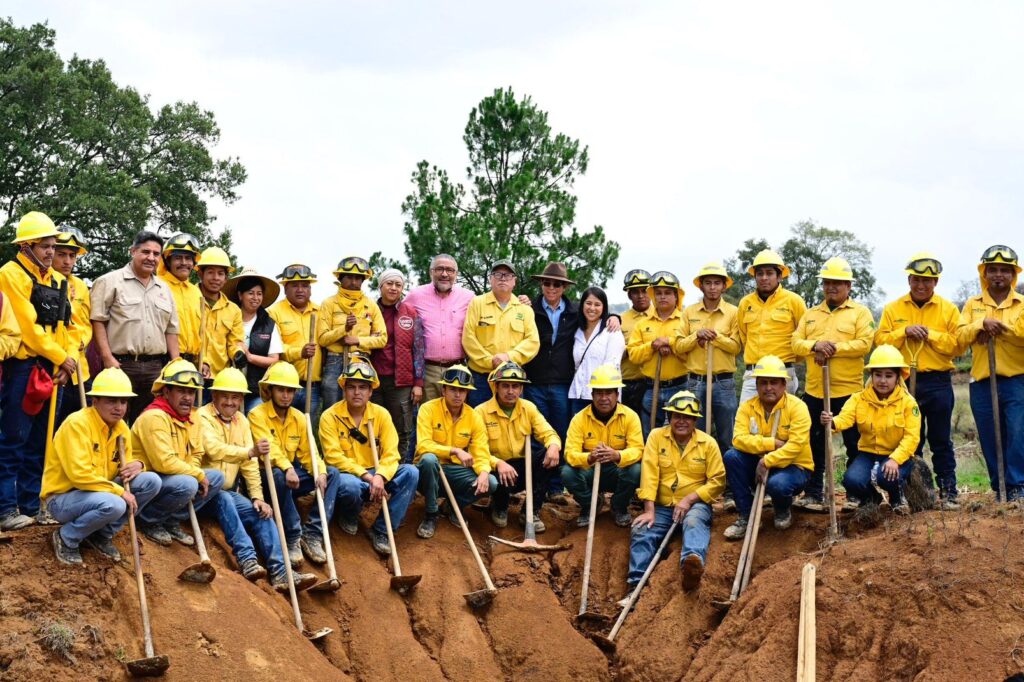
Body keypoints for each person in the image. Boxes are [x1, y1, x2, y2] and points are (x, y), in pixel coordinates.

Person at [197, 367, 316, 590]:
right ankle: (247, 559)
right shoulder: (202, 417)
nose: (230, 402)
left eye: (235, 397)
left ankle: (282, 573)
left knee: (262, 513)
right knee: (223, 497)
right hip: (203, 491)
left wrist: (257, 497)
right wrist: (249, 452)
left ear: (242, 398)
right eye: (225, 396)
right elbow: (214, 450)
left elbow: (250, 466)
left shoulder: (241, 421)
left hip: (230, 492)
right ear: (214, 395)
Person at [0, 212, 76, 530]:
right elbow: (28, 330)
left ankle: (31, 507)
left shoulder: (57, 281)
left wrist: (64, 362)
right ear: (26, 246)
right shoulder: (10, 274)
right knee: (14, 437)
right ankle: (5, 509)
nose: (50, 252)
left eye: (52, 245)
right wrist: (61, 357)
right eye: (44, 246)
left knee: (41, 442)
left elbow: (68, 329)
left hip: (53, 368)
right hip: (24, 366)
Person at [42, 367, 162, 564]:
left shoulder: (122, 428)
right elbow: (79, 476)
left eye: (123, 401)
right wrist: (118, 491)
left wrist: (138, 465)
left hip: (99, 493)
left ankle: (100, 535)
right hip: (63, 498)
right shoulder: (77, 425)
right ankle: (67, 537)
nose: (119, 407)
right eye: (111, 401)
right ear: (95, 401)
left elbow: (126, 467)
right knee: (114, 504)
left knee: (151, 481)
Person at [875, 252, 963, 508]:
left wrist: (930, 335)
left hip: (938, 382)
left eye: (927, 280)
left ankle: (949, 493)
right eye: (916, 279)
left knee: (941, 439)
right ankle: (916, 495)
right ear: (909, 280)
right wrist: (904, 331)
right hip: (903, 383)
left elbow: (957, 345)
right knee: (910, 440)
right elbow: (879, 340)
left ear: (935, 282)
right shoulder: (893, 309)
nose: (921, 285)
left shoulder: (948, 309)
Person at [791, 257, 874, 512]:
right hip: (815, 391)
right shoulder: (811, 314)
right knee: (814, 445)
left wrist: (833, 348)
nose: (831, 288)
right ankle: (814, 494)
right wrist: (814, 345)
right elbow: (795, 342)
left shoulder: (860, 313)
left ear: (848, 286)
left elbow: (864, 343)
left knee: (854, 444)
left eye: (837, 284)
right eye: (827, 283)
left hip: (849, 392)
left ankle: (855, 495)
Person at [629, 391, 725, 594]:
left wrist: (690, 499)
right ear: (670, 418)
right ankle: (635, 585)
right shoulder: (656, 437)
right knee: (642, 530)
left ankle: (691, 566)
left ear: (695, 420)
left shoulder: (708, 443)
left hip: (695, 505)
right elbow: (649, 473)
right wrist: (649, 509)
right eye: (677, 416)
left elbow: (717, 481)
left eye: (687, 417)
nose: (682, 421)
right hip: (663, 506)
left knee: (693, 522)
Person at [322, 361, 420, 555]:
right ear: (344, 389)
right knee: (349, 486)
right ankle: (349, 514)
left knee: (411, 472)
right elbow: (333, 457)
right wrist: (367, 477)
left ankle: (382, 530)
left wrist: (380, 476)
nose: (357, 392)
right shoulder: (329, 416)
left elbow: (392, 453)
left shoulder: (381, 415)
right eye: (351, 387)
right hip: (350, 475)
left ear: (370, 392)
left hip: (377, 473)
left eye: (362, 387)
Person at [249, 362, 342, 565]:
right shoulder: (257, 414)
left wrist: (320, 472)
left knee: (333, 473)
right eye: (281, 390)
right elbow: (269, 449)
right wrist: (288, 467)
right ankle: (292, 536)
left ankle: (313, 534)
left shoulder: (299, 418)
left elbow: (310, 452)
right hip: (267, 479)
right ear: (270, 389)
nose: (286, 395)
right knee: (278, 475)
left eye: (290, 390)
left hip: (290, 479)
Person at [130, 359, 224, 546]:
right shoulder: (154, 416)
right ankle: (148, 520)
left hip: (175, 476)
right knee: (189, 483)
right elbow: (163, 463)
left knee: (216, 478)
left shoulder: (193, 417)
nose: (188, 397)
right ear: (166, 391)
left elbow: (197, 453)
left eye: (191, 392)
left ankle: (170, 520)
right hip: (149, 478)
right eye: (181, 391)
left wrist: (195, 471)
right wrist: (196, 474)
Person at [957, 245, 1024, 501]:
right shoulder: (972, 304)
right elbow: (960, 337)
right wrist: (979, 325)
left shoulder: (1021, 304)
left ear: (1013, 275)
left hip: (1016, 379)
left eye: (1004, 271)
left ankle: (1017, 486)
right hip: (982, 381)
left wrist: (997, 328)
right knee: (988, 435)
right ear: (984, 273)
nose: (998, 275)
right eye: (993, 270)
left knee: (1017, 433)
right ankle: (1000, 489)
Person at [91, 231, 180, 423]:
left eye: (156, 254)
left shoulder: (164, 289)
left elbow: (171, 330)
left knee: (149, 422)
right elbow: (98, 321)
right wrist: (107, 358)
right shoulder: (109, 281)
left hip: (155, 369)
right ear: (132, 251)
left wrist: (177, 365)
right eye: (145, 252)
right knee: (114, 421)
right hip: (121, 365)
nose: (151, 258)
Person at [821, 345, 921, 514]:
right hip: (868, 454)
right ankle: (871, 499)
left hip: (897, 455)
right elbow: (844, 419)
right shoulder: (858, 399)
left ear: (898, 377)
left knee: (886, 477)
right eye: (878, 375)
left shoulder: (908, 403)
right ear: (871, 376)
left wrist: (895, 459)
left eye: (888, 376)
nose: (883, 380)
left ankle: (897, 498)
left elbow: (912, 437)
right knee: (851, 480)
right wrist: (831, 422)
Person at [723, 355, 813, 539]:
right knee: (732, 457)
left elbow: (795, 446)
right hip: (758, 462)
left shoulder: (798, 407)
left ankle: (782, 508)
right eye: (763, 382)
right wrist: (770, 444)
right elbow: (738, 440)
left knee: (777, 485)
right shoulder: (747, 408)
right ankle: (746, 515)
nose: (768, 387)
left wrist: (767, 460)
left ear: (783, 384)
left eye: (774, 382)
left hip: (794, 467)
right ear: (756, 385)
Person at [475, 361, 561, 531]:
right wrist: (497, 463)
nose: (510, 391)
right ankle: (499, 506)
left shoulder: (528, 408)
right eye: (505, 386)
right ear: (496, 387)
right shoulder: (480, 412)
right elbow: (478, 450)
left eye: (515, 386)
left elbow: (549, 433)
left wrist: (553, 445)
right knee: (494, 476)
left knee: (550, 455)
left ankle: (531, 511)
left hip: (523, 468)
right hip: (496, 468)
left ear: (521, 389)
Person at [413, 364, 496, 539]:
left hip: (456, 473)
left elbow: (480, 450)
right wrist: (454, 450)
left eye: (462, 390)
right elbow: (423, 445)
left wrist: (483, 472)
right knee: (428, 459)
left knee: (491, 482)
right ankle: (431, 513)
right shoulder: (427, 409)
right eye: (452, 389)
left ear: (467, 393)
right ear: (443, 390)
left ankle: (452, 506)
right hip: (428, 472)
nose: (457, 394)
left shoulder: (474, 417)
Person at [562, 364, 644, 528]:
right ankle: (589, 505)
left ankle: (619, 506)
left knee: (637, 470)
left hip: (617, 470)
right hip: (591, 470)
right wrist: (589, 457)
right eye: (599, 393)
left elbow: (638, 450)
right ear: (592, 395)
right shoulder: (579, 419)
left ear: (617, 394)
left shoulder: (630, 416)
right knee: (567, 472)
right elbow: (570, 453)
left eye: (608, 393)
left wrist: (618, 455)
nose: (604, 398)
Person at [674, 262, 741, 456]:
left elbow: (736, 347)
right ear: (701, 286)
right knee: (696, 436)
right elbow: (678, 346)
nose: (712, 287)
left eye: (717, 283)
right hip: (695, 382)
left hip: (724, 383)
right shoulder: (689, 312)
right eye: (708, 283)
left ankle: (728, 481)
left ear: (724, 286)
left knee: (727, 437)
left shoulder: (733, 312)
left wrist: (716, 337)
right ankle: (699, 479)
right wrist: (697, 336)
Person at [461, 259, 540, 408]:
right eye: (498, 274)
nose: (503, 278)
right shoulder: (477, 303)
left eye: (508, 275)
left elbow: (533, 342)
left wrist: (508, 357)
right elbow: (468, 338)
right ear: (490, 278)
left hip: (512, 380)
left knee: (512, 422)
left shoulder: (524, 309)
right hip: (481, 378)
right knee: (478, 423)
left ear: (514, 281)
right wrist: (490, 361)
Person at [736, 249, 807, 403]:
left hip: (783, 374)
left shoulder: (794, 301)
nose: (764, 278)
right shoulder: (745, 303)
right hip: (753, 375)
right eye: (760, 274)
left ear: (780, 276)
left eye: (769, 273)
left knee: (782, 423)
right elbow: (744, 337)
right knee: (746, 422)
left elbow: (804, 335)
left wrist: (790, 362)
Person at [318, 256, 387, 410]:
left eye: (358, 278)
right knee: (331, 407)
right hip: (334, 361)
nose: (354, 282)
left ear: (363, 280)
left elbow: (382, 338)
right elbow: (322, 339)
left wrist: (356, 340)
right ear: (340, 278)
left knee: (359, 408)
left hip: (361, 360)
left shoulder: (370, 305)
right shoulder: (329, 304)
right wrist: (343, 330)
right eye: (349, 277)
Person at [404, 254, 475, 402]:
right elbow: (396, 313)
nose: (444, 274)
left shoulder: (469, 297)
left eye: (449, 270)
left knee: (457, 416)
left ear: (456, 274)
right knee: (430, 417)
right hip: (429, 370)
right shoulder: (416, 295)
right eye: (439, 269)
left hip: (458, 368)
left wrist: (522, 301)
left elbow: (489, 308)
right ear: (431, 272)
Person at [370, 268, 424, 461]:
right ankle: (377, 472)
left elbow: (418, 348)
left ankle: (401, 472)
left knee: (403, 428)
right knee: (375, 428)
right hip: (373, 380)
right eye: (389, 283)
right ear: (380, 286)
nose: (393, 288)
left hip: (401, 380)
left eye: (398, 284)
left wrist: (418, 383)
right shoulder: (369, 311)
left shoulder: (410, 313)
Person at [523, 262, 579, 448]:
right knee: (537, 434)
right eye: (547, 283)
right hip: (534, 382)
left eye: (557, 284)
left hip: (562, 384)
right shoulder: (528, 309)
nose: (551, 288)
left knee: (562, 432)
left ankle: (560, 477)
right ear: (541, 285)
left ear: (565, 287)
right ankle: (538, 476)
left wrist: (615, 318)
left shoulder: (575, 312)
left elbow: (599, 315)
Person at [626, 271, 687, 438]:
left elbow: (691, 354)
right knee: (650, 435)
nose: (662, 297)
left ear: (676, 296)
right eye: (658, 293)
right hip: (651, 388)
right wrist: (653, 345)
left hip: (680, 387)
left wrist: (670, 343)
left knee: (678, 436)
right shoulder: (642, 324)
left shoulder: (685, 321)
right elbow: (634, 355)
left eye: (667, 293)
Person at [223, 267, 283, 412]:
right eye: (250, 293)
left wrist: (249, 357)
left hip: (256, 389)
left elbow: (274, 360)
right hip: (228, 387)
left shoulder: (269, 324)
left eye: (259, 294)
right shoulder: (226, 317)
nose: (255, 298)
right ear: (240, 295)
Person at [267, 264, 322, 420]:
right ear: (285, 288)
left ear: (310, 289)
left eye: (305, 286)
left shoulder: (321, 312)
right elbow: (274, 348)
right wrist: (300, 352)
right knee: (281, 428)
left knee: (307, 433)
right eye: (294, 285)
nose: (300, 290)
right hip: (284, 387)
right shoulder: (274, 312)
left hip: (313, 387)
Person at [52, 227, 92, 428]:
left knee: (80, 427)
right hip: (57, 368)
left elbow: (85, 324)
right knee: (52, 429)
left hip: (81, 371)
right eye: (61, 255)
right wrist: (65, 358)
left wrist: (83, 341)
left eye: (72, 255)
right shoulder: (45, 282)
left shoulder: (82, 286)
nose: (68, 261)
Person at [568, 286, 626, 415]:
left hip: (603, 398)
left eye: (597, 304)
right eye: (588, 303)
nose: (592, 308)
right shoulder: (577, 331)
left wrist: (601, 394)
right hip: (577, 395)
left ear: (604, 307)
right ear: (582, 305)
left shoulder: (612, 331)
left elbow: (612, 366)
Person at [196, 247, 243, 385]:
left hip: (219, 380)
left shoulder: (233, 310)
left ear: (226, 278)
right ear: (200, 274)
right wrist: (201, 361)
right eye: (210, 272)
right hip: (192, 375)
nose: (216, 278)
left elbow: (235, 342)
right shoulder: (190, 300)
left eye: (220, 273)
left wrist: (238, 353)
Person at [157, 233, 203, 367]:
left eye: (188, 258)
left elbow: (202, 332)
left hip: (191, 361)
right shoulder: (157, 285)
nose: (184, 263)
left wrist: (203, 360)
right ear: (167, 261)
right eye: (178, 258)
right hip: (164, 359)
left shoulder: (196, 292)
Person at [619, 269, 652, 416]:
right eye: (635, 292)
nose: (640, 296)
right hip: (627, 383)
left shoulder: (660, 316)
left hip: (651, 383)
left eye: (644, 291)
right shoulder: (620, 320)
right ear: (629, 295)